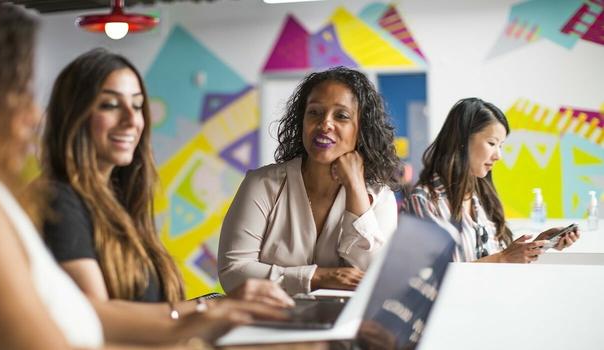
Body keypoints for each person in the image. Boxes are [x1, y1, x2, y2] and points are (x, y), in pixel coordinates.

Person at [0, 2, 284, 349]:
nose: (30, 112)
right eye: (15, 89)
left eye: (137, 106)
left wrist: (207, 315)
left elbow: (82, 323)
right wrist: (202, 328)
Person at [40, 48, 293, 345]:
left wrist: (223, 303)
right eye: (110, 105)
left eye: (136, 106)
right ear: (73, 115)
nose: (130, 120)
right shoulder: (58, 200)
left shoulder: (119, 203)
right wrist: (210, 309)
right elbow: (94, 316)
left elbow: (154, 311)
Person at [218, 66, 401, 295]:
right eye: (314, 112)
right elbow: (233, 272)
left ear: (361, 128)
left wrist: (355, 186)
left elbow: (375, 278)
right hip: (264, 324)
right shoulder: (262, 185)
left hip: (343, 328)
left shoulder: (380, 198)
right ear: (301, 121)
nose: (325, 124)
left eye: (341, 116)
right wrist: (316, 277)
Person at [407, 97, 580, 263]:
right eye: (492, 143)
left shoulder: (482, 195)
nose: (499, 155)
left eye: (501, 146)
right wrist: (503, 258)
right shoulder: (424, 201)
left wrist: (539, 244)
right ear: (462, 140)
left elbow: (495, 257)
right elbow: (431, 277)